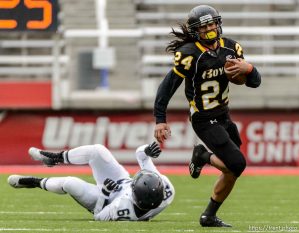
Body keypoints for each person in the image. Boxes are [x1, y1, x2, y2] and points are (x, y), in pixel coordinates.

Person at [153, 5, 261, 227]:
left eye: (212, 23)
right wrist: (160, 119)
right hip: (203, 118)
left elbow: (254, 82)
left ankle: (209, 216)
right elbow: (168, 86)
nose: (210, 28)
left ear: (218, 23)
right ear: (196, 31)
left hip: (223, 115)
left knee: (233, 171)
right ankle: (202, 155)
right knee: (237, 163)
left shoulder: (231, 48)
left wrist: (249, 69)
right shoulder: (190, 54)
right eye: (204, 26)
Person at [8, 142, 175, 221]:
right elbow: (141, 155)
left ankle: (35, 182)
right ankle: (53, 158)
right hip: (120, 180)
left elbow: (98, 216)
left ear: (135, 197)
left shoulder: (123, 209)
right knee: (97, 150)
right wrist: (147, 150)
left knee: (70, 183)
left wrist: (105, 193)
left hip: (105, 199)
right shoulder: (164, 188)